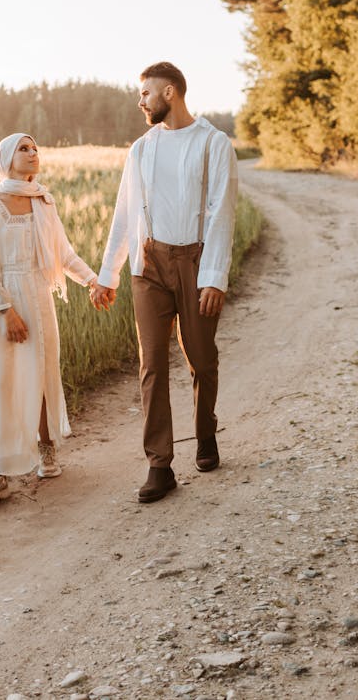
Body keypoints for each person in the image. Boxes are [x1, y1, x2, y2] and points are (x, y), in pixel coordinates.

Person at [91, 62, 238, 503]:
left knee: (201, 357)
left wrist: (213, 277)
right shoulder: (140, 149)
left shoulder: (213, 143)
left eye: (146, 93)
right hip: (149, 265)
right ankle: (160, 464)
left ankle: (205, 432)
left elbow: (222, 215)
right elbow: (125, 214)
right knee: (151, 364)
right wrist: (108, 274)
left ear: (170, 92)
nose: (141, 101)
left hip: (194, 262)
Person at [0, 133, 98, 505]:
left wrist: (92, 280)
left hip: (38, 297)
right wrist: (4, 310)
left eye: (35, 147)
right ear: (6, 157)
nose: (33, 153)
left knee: (40, 373)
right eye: (24, 148)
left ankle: (46, 447)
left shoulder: (44, 202)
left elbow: (63, 253)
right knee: (0, 379)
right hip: (2, 305)